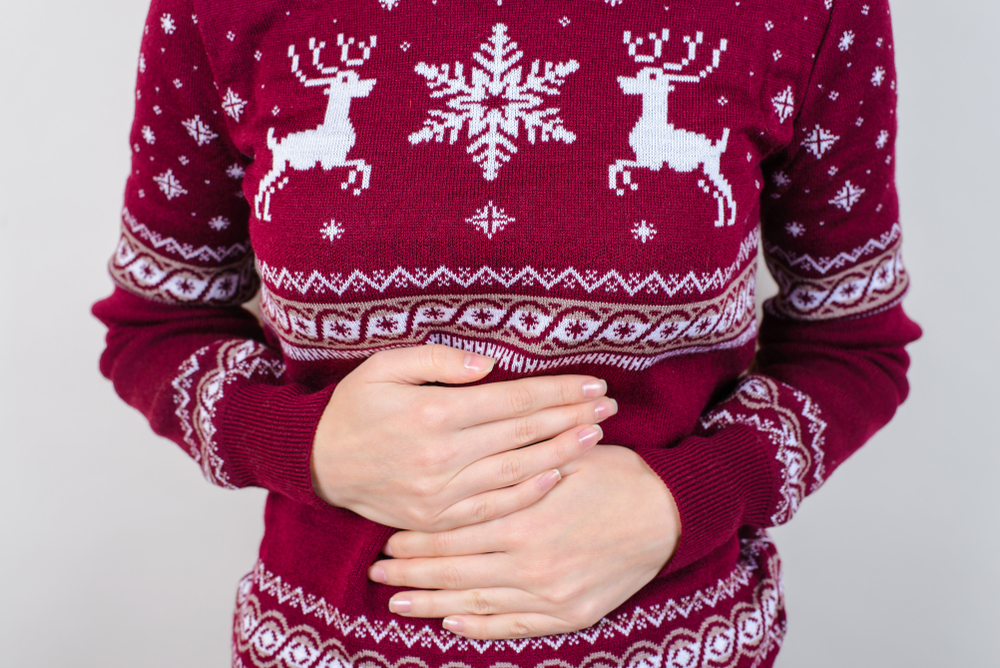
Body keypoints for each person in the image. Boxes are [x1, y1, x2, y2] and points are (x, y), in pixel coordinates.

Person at [92, 0, 921, 666]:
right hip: (320, 645)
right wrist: (300, 443)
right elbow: (154, 321)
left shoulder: (804, 11)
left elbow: (854, 345)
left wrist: (685, 500)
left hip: (685, 644)